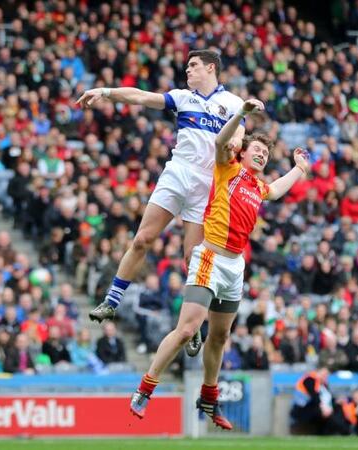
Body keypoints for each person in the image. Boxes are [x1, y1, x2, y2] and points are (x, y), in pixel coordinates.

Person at [128, 98, 311, 429]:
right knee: (186, 330)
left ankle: (209, 398)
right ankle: (145, 388)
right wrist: (241, 114)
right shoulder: (227, 168)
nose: (261, 155)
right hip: (209, 257)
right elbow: (219, 141)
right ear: (242, 152)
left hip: (235, 267)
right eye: (256, 150)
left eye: (266, 154)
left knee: (220, 337)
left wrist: (298, 169)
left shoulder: (258, 186)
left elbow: (279, 190)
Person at [78, 50, 244, 341]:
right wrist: (105, 91)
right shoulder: (182, 97)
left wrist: (233, 145)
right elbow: (141, 96)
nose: (188, 71)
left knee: (192, 258)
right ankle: (112, 301)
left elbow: (239, 137)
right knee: (142, 239)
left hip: (207, 184)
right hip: (178, 173)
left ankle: (190, 324)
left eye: (193, 66)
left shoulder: (233, 103)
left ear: (211, 67)